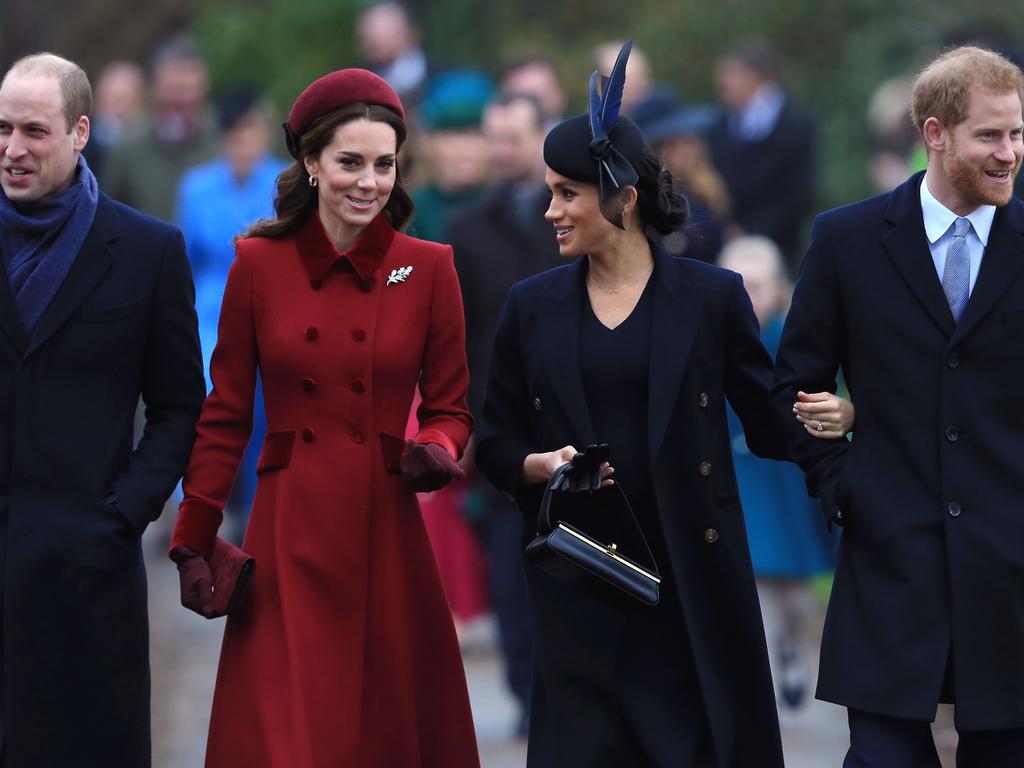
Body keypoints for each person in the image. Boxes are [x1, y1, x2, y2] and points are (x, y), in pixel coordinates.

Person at [475, 41, 852, 768]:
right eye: (548, 190)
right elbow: (495, 443)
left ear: (622, 196)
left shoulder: (711, 299)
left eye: (567, 193)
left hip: (695, 585)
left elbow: (771, 421)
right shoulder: (532, 308)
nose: (550, 209)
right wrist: (536, 463)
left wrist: (845, 454)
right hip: (584, 577)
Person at [168, 68, 479, 767]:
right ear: (310, 162)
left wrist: (435, 444)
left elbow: (451, 407)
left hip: (385, 525)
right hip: (287, 532)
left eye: (384, 164)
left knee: (382, 734)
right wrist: (194, 533)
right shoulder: (257, 264)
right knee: (292, 737)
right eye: (350, 162)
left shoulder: (430, 268)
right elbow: (224, 415)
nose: (369, 181)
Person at [773, 45, 1024, 767]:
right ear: (935, 134)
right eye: (989, 135)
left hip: (1011, 573)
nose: (1009, 153)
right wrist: (845, 486)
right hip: (889, 565)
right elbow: (792, 386)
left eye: (1016, 133)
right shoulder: (847, 240)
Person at [0, 53, 204, 766]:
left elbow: (181, 404)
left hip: (87, 572)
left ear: (81, 131)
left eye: (33, 130)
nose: (12, 149)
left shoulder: (148, 251)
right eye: (0, 130)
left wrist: (123, 514)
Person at [447, 90, 562, 734]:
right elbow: (456, 338)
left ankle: (567, 686)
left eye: (514, 136)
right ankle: (526, 692)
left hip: (571, 420)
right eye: (494, 137)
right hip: (501, 429)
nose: (502, 149)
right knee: (509, 568)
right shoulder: (465, 231)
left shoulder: (573, 219)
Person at [718, 236, 839, 711]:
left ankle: (790, 651)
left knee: (792, 595)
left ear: (778, 287)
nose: (750, 297)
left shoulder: (793, 338)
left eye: (758, 285)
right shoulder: (712, 337)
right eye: (739, 286)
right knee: (753, 583)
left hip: (784, 477)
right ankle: (762, 685)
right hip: (738, 473)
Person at [176, 88, 286, 534]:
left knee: (267, 408)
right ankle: (202, 508)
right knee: (209, 403)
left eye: (253, 131)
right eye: (238, 133)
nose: (246, 141)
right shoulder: (198, 186)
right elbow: (184, 255)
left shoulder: (285, 182)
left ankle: (261, 511)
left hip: (271, 311)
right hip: (211, 314)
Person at [707, 41, 816, 275]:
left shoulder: (795, 124)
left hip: (781, 244)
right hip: (728, 241)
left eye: (731, 74)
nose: (723, 83)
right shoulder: (721, 122)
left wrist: (752, 230)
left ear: (755, 77)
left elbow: (799, 193)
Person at [103, 36, 219, 221]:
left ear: (204, 89)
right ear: (154, 89)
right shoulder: (128, 148)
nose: (181, 101)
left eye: (188, 91)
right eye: (173, 91)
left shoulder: (223, 144)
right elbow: (108, 214)